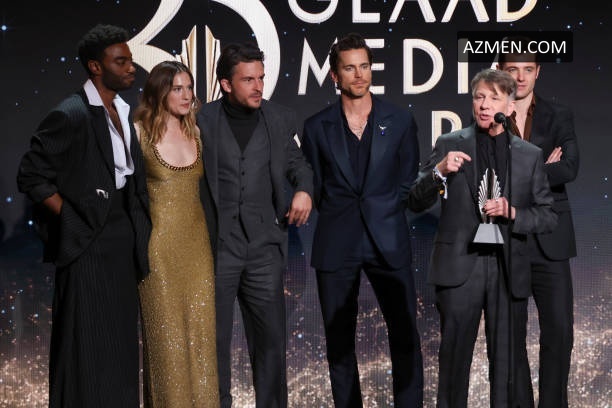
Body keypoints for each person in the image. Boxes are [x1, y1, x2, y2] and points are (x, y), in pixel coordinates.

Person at [407, 68, 557, 407]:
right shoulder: (449, 144)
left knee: (507, 367)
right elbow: (414, 199)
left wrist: (513, 212)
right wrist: (438, 172)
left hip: (507, 268)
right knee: (453, 363)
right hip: (461, 266)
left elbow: (548, 216)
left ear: (510, 105)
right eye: (479, 97)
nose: (484, 105)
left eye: (493, 98)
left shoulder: (528, 155)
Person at [16, 24, 149, 407]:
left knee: (120, 348)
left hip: (123, 244)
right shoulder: (71, 113)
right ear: (95, 66)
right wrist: (74, 220)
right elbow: (31, 175)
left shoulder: (122, 110)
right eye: (120, 61)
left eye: (130, 60)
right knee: (85, 348)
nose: (131, 67)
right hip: (88, 246)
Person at [301, 33, 424, 408]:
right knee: (339, 344)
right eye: (350, 68)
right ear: (335, 76)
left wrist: (383, 210)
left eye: (365, 66)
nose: (359, 75)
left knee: (405, 336)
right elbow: (315, 186)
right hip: (337, 241)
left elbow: (408, 180)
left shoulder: (399, 120)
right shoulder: (316, 126)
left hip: (388, 239)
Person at [196, 42, 313, 408]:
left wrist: (304, 190)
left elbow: (299, 165)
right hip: (217, 247)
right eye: (248, 80)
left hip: (264, 248)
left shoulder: (278, 118)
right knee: (213, 344)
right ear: (226, 84)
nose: (259, 86)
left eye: (261, 78)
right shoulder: (201, 120)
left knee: (271, 345)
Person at [134, 61, 219, 407]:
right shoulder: (139, 133)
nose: (187, 95)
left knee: (201, 343)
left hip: (198, 250)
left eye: (189, 87)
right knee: (166, 346)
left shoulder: (197, 132)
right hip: (159, 252)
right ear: (159, 92)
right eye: (177, 89)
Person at [497, 49, 579, 408]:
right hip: (507, 239)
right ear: (500, 71)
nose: (520, 77)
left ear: (538, 72)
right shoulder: (490, 114)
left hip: (551, 239)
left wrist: (521, 175)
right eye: (512, 69)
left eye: (527, 69)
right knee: (510, 338)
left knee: (559, 333)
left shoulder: (559, 114)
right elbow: (490, 174)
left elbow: (570, 168)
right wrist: (542, 169)